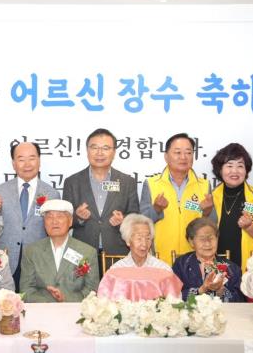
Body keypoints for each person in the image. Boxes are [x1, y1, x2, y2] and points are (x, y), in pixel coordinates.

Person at [62, 128, 139, 262]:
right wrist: (78, 217)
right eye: (94, 147)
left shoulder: (127, 182)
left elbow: (135, 217)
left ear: (114, 152)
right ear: (87, 150)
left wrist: (123, 220)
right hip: (82, 252)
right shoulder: (72, 182)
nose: (99, 153)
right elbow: (64, 219)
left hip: (117, 252)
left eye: (105, 148)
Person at [0, 142, 60, 288]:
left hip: (38, 261)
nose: (27, 164)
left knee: (35, 301)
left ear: (39, 161)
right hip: (5, 260)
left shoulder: (52, 194)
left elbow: (56, 232)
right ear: (13, 164)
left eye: (32, 158)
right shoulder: (0, 191)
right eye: (21, 159)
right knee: (5, 300)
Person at [141, 133, 212, 265]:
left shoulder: (204, 185)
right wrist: (156, 209)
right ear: (166, 156)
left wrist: (207, 213)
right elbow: (141, 222)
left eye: (188, 152)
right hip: (159, 258)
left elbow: (213, 225)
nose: (183, 157)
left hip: (195, 258)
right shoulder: (151, 184)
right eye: (178, 152)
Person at [20, 200, 99, 303]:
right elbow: (26, 290)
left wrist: (65, 298)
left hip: (74, 310)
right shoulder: (31, 251)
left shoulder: (87, 252)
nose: (54, 221)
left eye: (60, 216)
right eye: (49, 217)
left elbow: (92, 291)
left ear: (70, 221)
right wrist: (50, 301)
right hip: (41, 309)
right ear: (44, 223)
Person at [210, 143, 253, 271]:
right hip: (217, 266)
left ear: (246, 170)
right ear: (220, 169)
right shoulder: (210, 197)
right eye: (229, 165)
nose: (235, 171)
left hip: (250, 267)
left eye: (240, 166)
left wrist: (249, 226)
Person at [172, 218, 244, 302]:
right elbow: (172, 295)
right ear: (191, 242)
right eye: (202, 239)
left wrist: (221, 291)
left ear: (217, 239)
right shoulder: (181, 265)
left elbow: (240, 300)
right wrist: (201, 290)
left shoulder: (233, 268)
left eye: (211, 238)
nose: (207, 243)